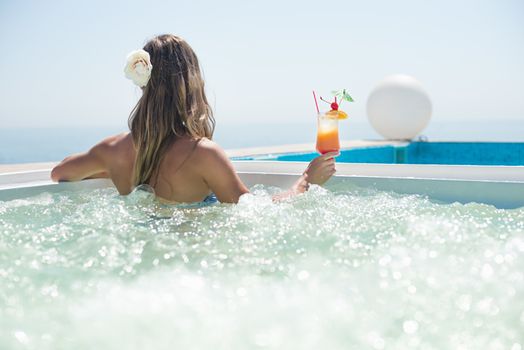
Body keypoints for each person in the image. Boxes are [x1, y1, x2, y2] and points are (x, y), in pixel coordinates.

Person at [50, 34, 337, 204]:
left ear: (142, 83)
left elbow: (60, 173)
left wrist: (109, 168)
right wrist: (305, 181)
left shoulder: (111, 150)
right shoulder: (203, 154)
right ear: (191, 83)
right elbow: (256, 215)